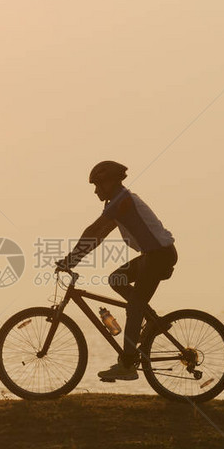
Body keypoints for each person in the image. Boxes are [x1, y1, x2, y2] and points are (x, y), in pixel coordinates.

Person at [56, 160, 177, 381]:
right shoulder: (119, 202)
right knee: (116, 279)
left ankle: (128, 365)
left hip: (158, 257)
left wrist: (71, 259)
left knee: (134, 307)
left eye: (97, 185)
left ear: (109, 182)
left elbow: (94, 230)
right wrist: (74, 259)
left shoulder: (122, 201)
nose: (95, 191)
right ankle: (152, 320)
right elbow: (99, 235)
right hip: (152, 256)